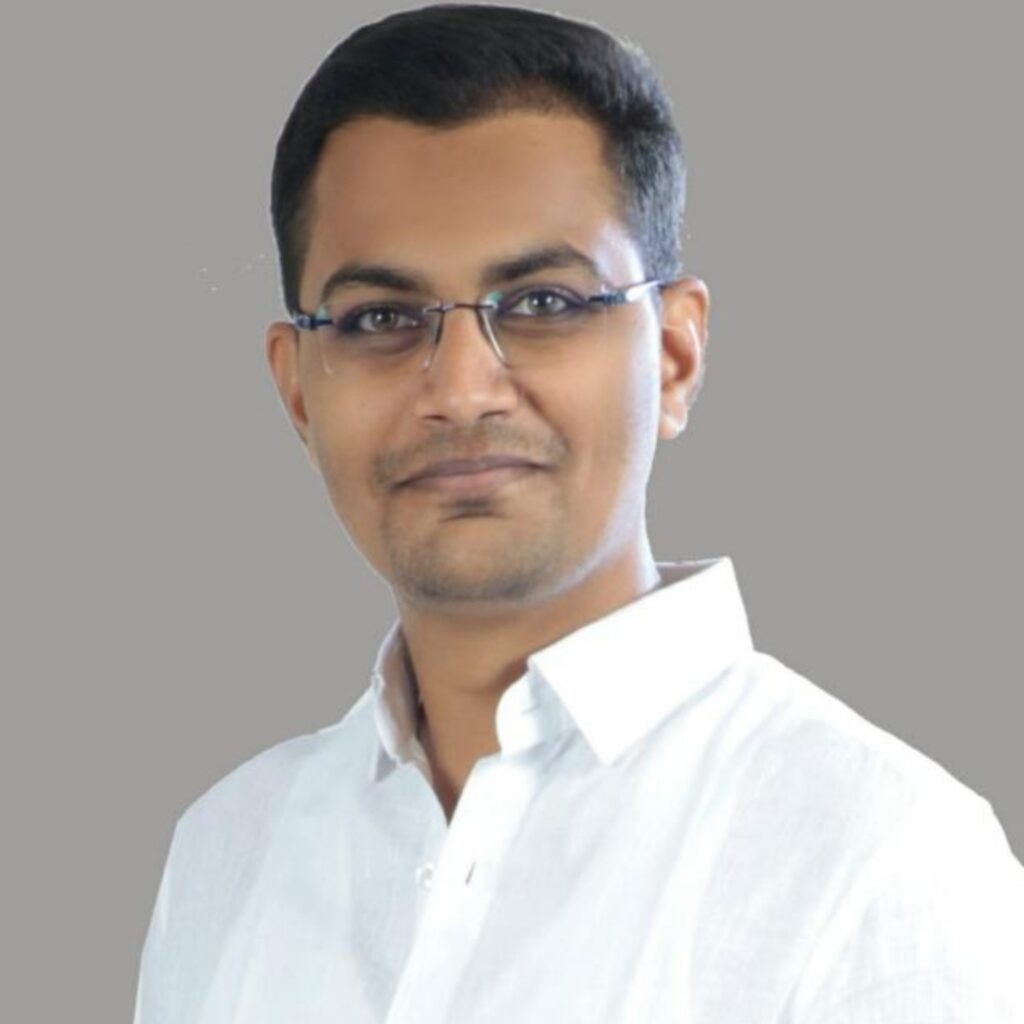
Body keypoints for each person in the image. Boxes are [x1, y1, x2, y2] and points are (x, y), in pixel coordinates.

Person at [133, 5, 1024, 1022]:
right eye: (381, 318)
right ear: (298, 390)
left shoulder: (875, 860)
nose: (461, 389)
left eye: (544, 303)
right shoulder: (229, 853)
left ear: (674, 357)